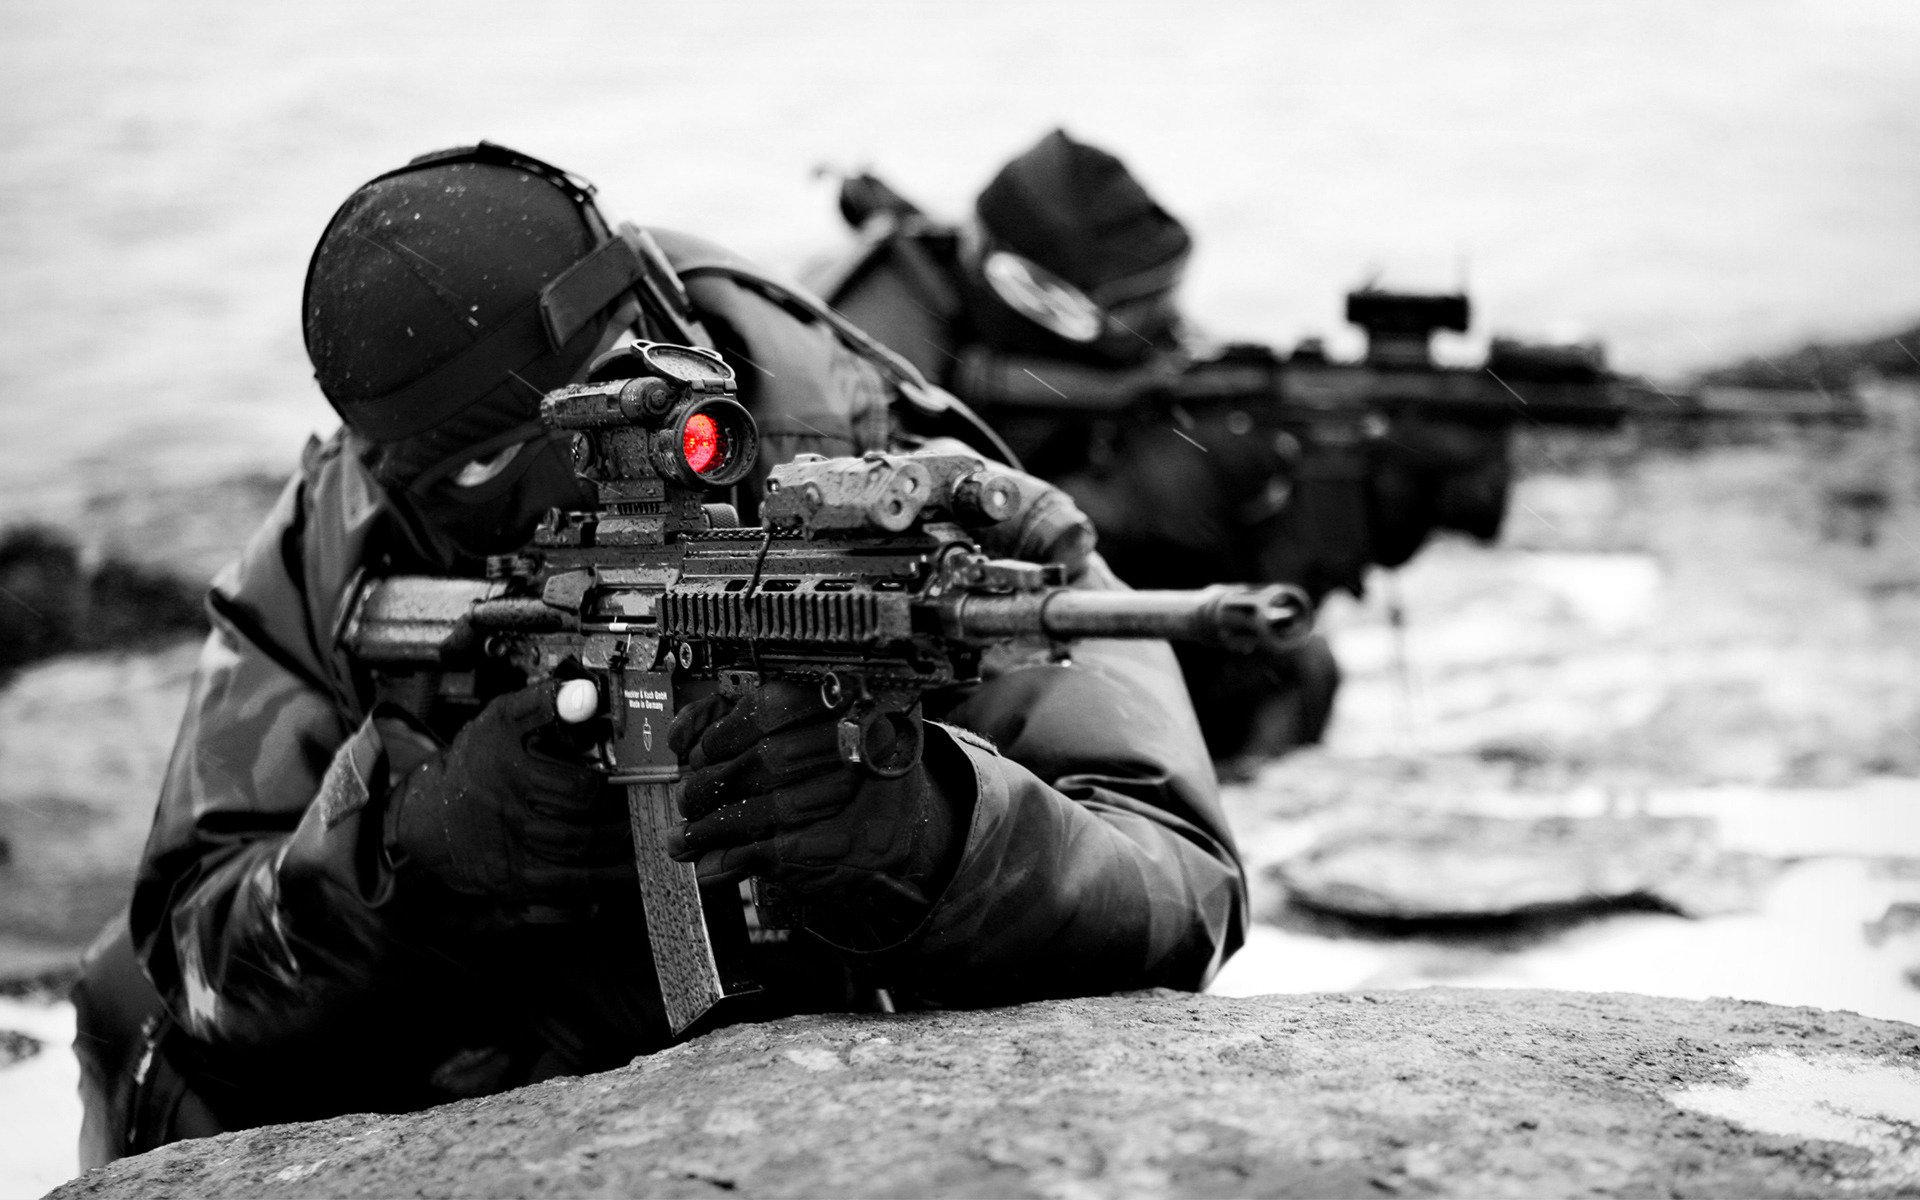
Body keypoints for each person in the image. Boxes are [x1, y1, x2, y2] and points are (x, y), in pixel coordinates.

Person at [70, 142, 1244, 1165]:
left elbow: (1182, 878)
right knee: (124, 1006)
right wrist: (415, 856)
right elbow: (192, 949)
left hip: (862, 1069)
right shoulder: (342, 539)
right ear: (399, 471)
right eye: (496, 464)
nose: (596, 466)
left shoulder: (879, 468)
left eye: (621, 383)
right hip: (510, 1069)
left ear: (656, 316)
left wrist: (934, 835)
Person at [809, 129, 1512, 763]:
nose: (1152, 332)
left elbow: (1166, 404)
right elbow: (894, 571)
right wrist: (1163, 508)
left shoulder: (1099, 354)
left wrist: (1344, 502)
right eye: (1120, 314)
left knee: (1295, 665)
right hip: (905, 686)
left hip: (1045, 603)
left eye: (1160, 301)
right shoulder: (863, 359)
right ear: (1026, 290)